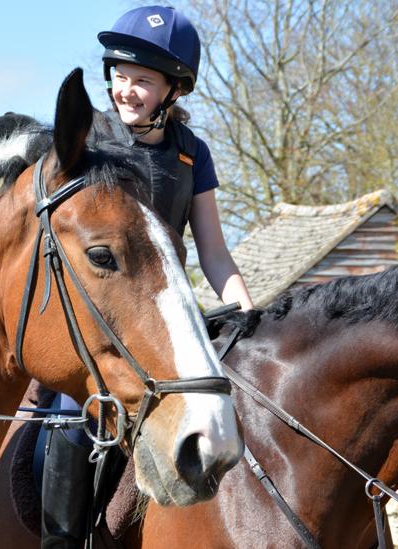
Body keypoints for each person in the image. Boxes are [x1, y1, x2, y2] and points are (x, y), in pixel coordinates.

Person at [39, 6, 253, 548]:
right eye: (120, 75)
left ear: (173, 90)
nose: (126, 90)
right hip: (102, 322)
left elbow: (214, 254)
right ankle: (60, 542)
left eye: (143, 81)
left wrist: (250, 316)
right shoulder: (91, 141)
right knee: (73, 416)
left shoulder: (191, 155)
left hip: (166, 320)